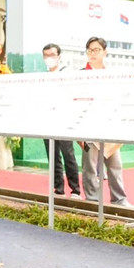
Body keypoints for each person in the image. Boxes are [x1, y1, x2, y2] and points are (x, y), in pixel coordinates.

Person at [78, 36, 129, 207]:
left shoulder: (111, 75)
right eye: (90, 50)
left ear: (105, 52)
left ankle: (119, 200)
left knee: (115, 165)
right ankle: (93, 201)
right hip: (89, 128)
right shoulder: (81, 76)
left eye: (96, 50)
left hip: (110, 128)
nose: (92, 53)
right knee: (90, 168)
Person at [41, 42, 81, 197]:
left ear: (59, 57)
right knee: (53, 156)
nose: (49, 58)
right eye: (46, 55)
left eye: (52, 55)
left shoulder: (67, 74)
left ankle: (75, 189)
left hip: (64, 122)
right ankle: (58, 188)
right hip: (47, 122)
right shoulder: (43, 77)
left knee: (68, 155)